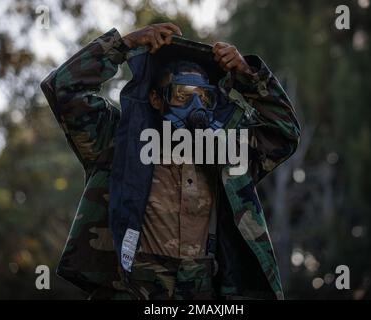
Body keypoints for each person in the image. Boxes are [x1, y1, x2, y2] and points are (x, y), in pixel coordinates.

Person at [41, 22, 300, 300]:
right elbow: (64, 87)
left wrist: (246, 74)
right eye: (183, 95)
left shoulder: (228, 153)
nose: (196, 107)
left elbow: (284, 133)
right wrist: (124, 44)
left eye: (204, 97)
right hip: (131, 289)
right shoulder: (117, 140)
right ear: (155, 98)